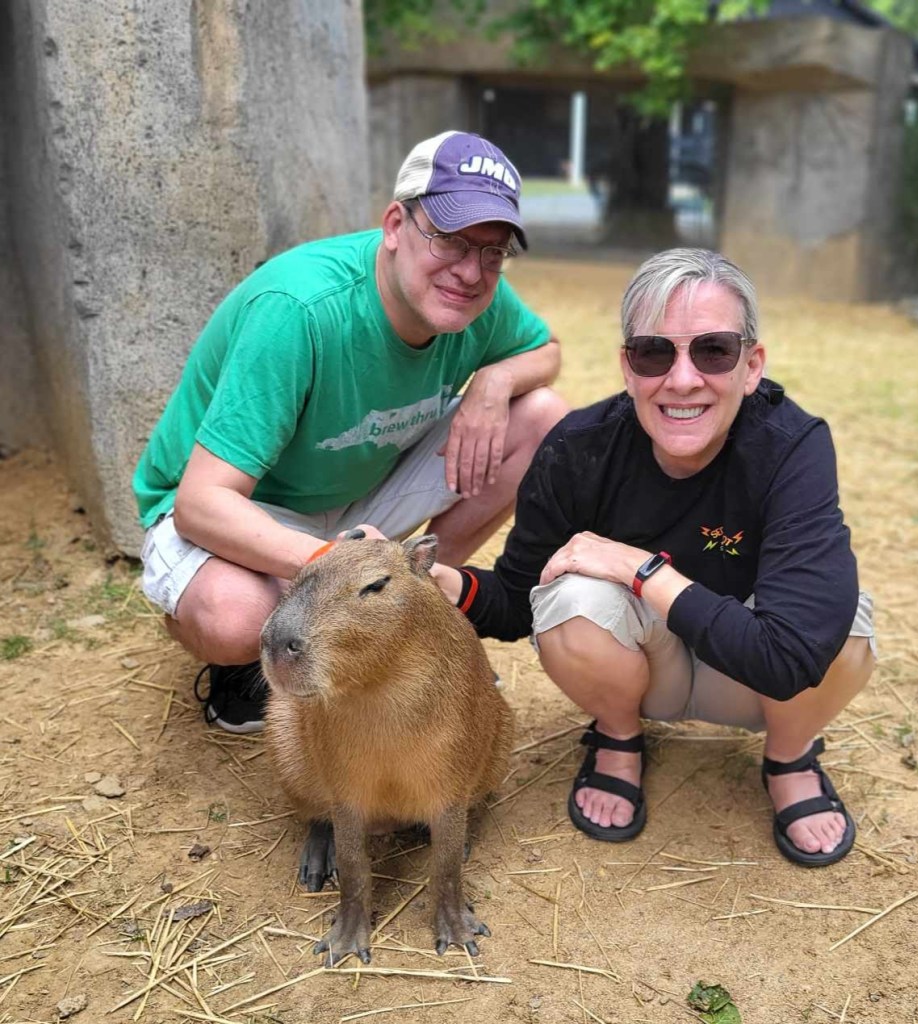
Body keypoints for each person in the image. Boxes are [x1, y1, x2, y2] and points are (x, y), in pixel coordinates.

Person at [433, 247, 875, 867]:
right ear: (627, 366)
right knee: (568, 600)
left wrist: (637, 569)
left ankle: (790, 754)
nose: (683, 379)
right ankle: (618, 736)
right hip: (644, 668)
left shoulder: (792, 447)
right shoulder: (578, 448)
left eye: (714, 350)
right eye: (654, 352)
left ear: (752, 366)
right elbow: (517, 601)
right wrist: (436, 582)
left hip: (756, 681)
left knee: (842, 623)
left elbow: (789, 657)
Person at [132, 131, 568, 734]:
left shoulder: (476, 294)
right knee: (238, 618)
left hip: (352, 503)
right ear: (395, 224)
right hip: (236, 510)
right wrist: (340, 568)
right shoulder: (300, 309)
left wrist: (495, 383)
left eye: (493, 252)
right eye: (449, 238)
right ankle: (240, 657)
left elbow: (546, 351)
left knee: (542, 415)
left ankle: (410, 607)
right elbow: (199, 506)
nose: (471, 271)